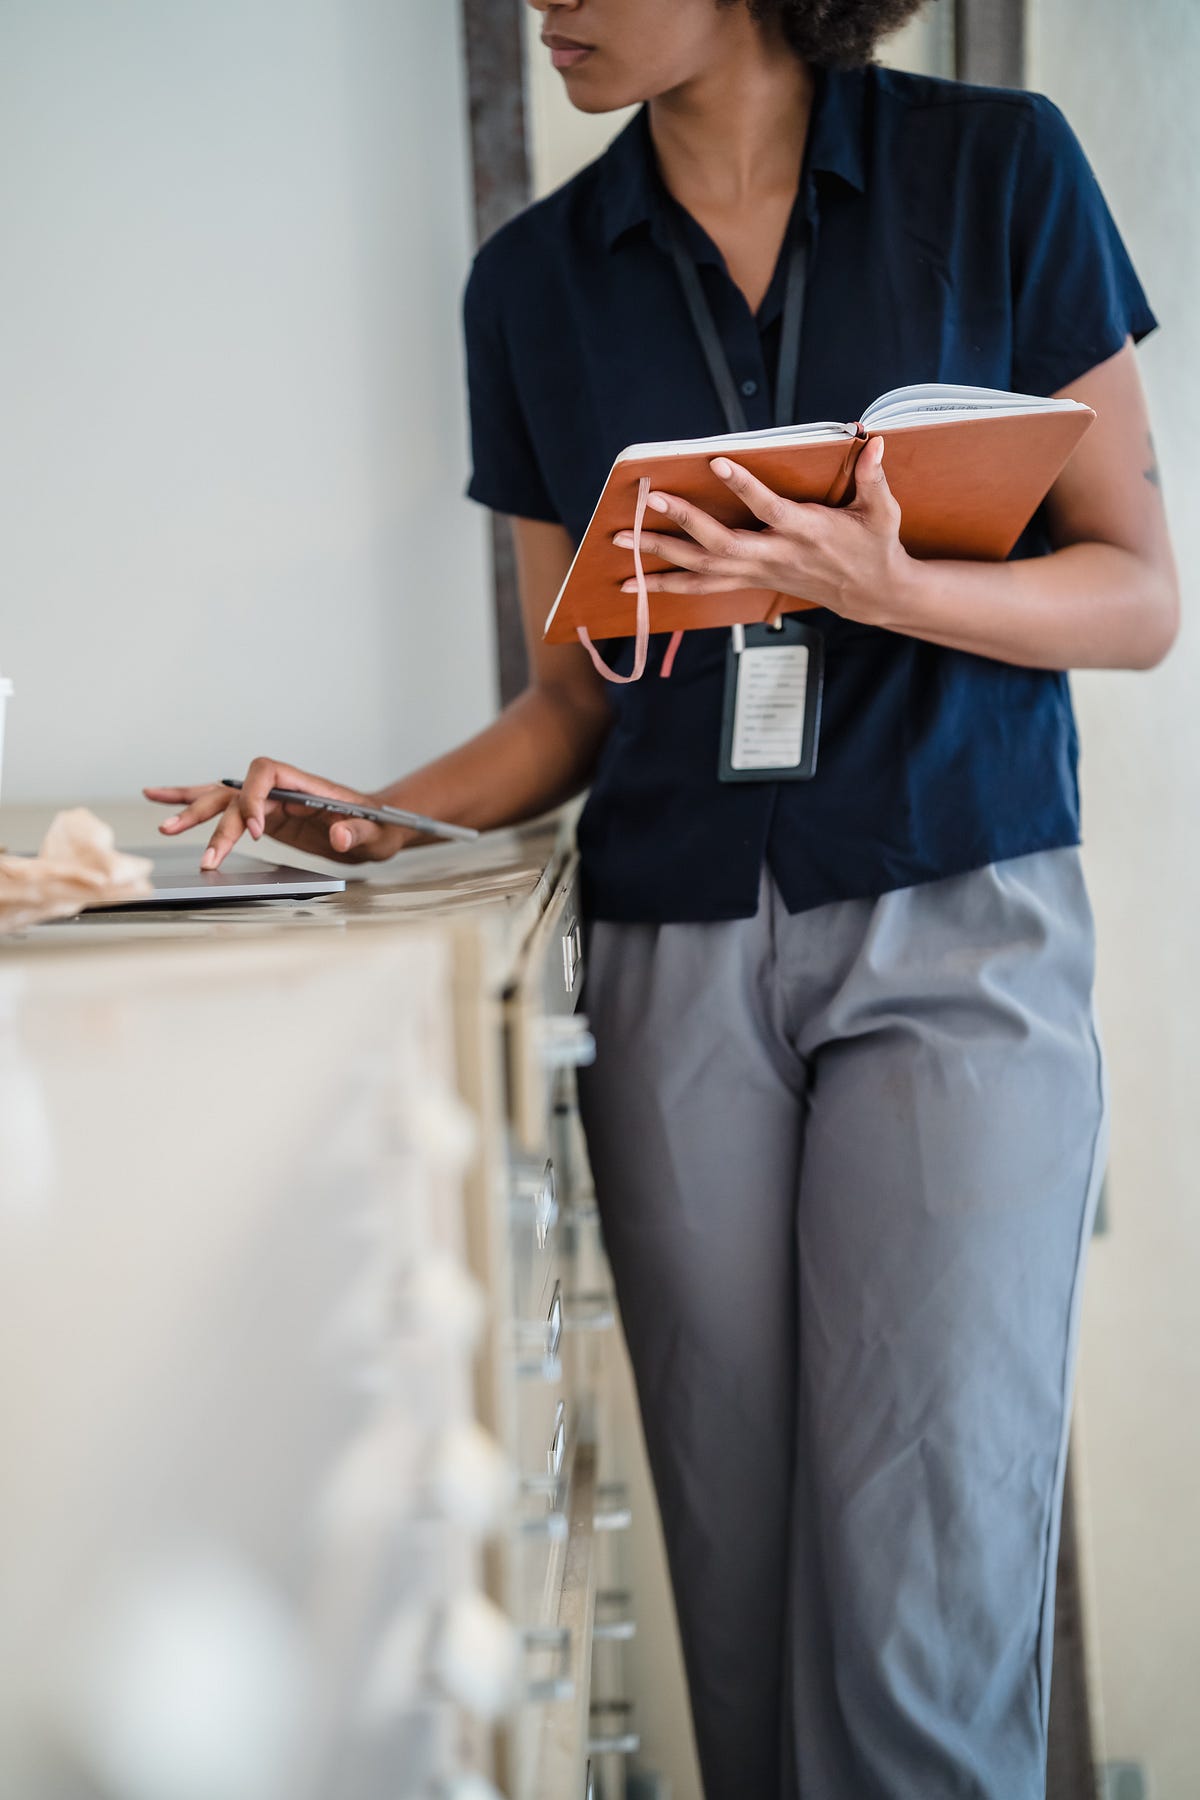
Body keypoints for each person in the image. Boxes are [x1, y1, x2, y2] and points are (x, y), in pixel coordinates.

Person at [147, 1, 1179, 1794]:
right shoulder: (533, 284)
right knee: (744, 1602)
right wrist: (369, 816)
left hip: (959, 926)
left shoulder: (996, 173)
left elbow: (1137, 594)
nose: (549, 0)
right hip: (677, 969)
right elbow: (571, 697)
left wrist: (882, 583)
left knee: (921, 1611)